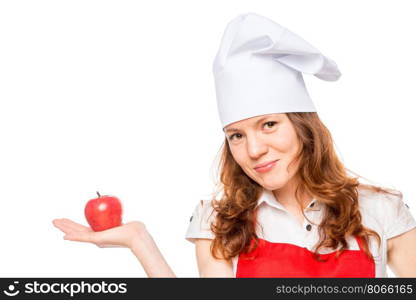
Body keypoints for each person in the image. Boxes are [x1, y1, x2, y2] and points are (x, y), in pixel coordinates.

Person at [52, 12, 416, 277]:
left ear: (305, 128)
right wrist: (139, 240)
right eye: (236, 136)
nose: (253, 149)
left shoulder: (379, 210)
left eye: (269, 125)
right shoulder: (219, 223)